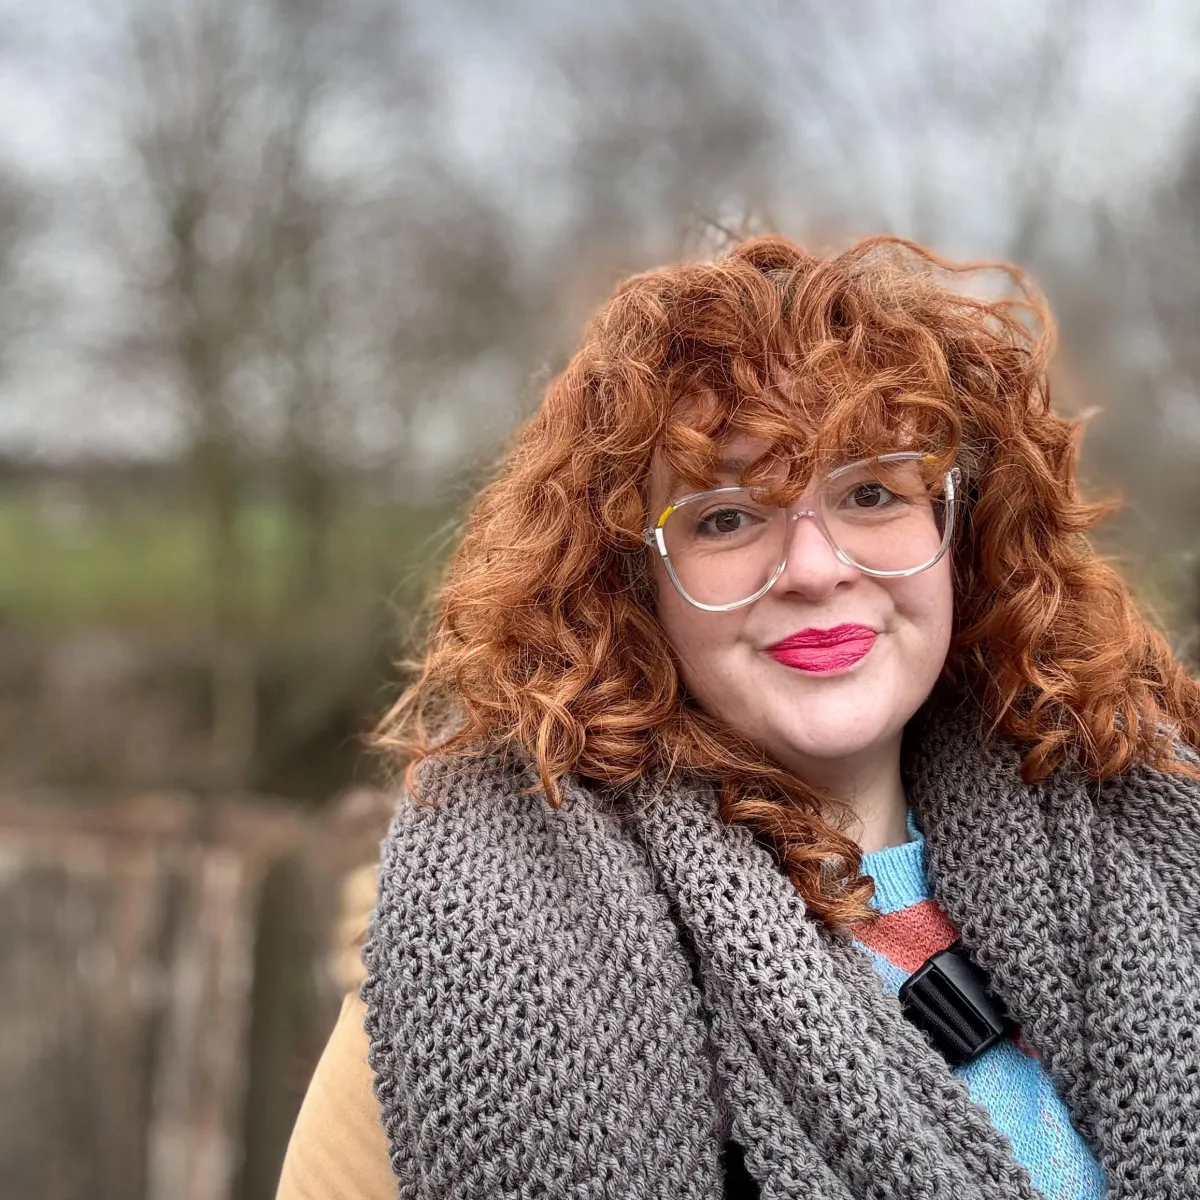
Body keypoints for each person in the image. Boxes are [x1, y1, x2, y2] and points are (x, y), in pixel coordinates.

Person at [276, 234, 1200, 1200]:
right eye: (725, 515)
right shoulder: (463, 983)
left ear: (957, 535)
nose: (813, 568)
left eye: (873, 492)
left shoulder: (1150, 829)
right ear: (631, 580)